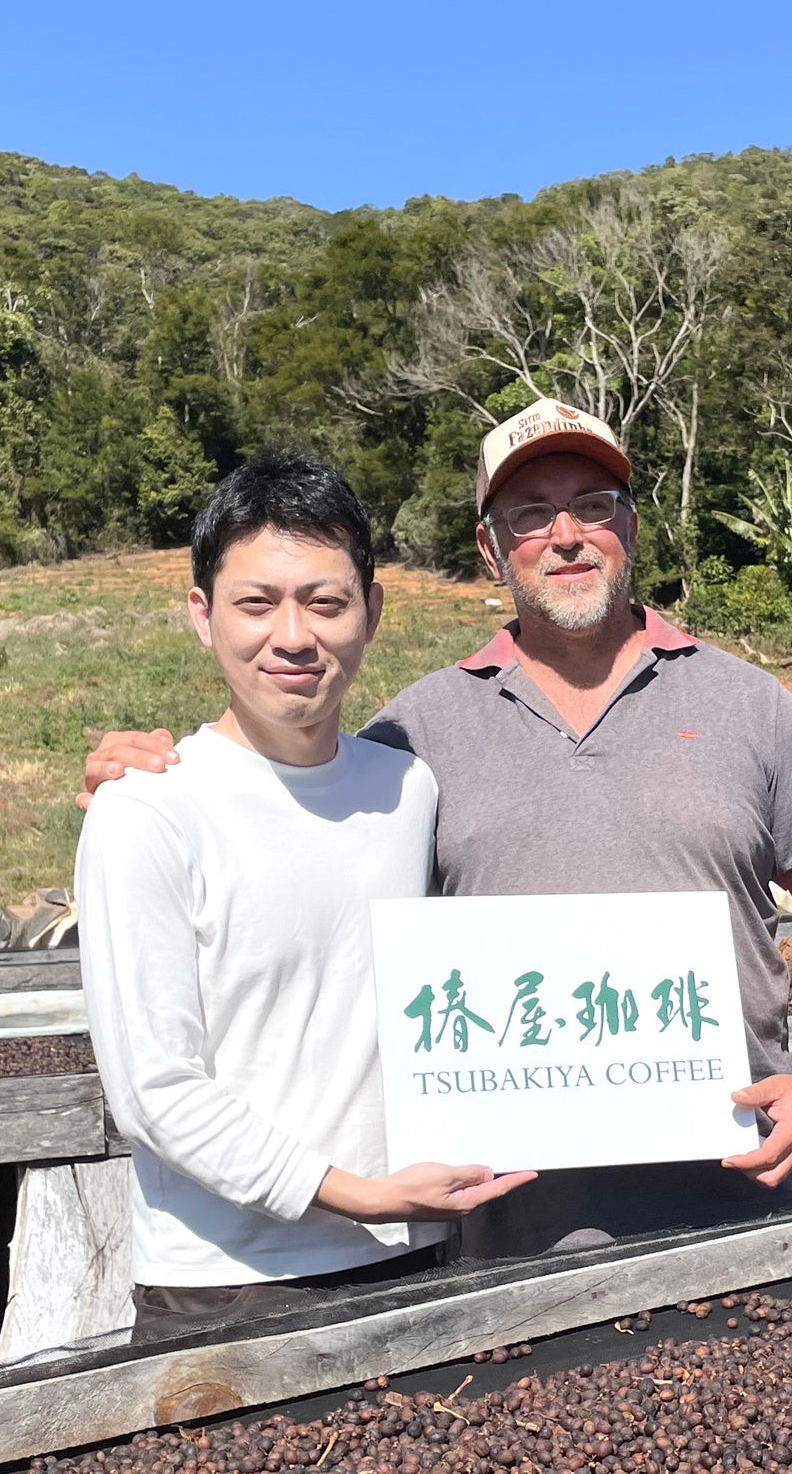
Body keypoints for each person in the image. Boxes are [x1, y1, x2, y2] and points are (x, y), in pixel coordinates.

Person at [81, 399, 792, 1258]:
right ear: (490, 548)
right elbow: (288, 792)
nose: (566, 534)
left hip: (734, 1199)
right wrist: (139, 783)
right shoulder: (412, 738)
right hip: (504, 1236)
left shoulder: (750, 706)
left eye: (593, 504)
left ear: (632, 525)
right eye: (530, 515)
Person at [74, 450, 532, 1344]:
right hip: (227, 1284)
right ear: (202, 616)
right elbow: (155, 1090)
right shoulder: (147, 810)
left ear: (371, 613)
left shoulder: (408, 790)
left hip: (415, 1251)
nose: (292, 636)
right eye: (256, 603)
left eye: (325, 603)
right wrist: (355, 1193)